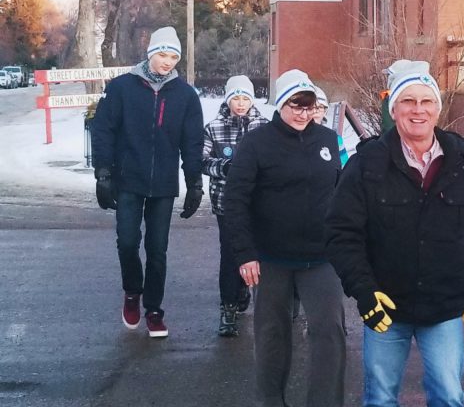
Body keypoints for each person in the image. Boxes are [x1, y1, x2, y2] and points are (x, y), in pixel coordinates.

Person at [326, 59, 464, 407]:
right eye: (408, 101)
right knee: (381, 397)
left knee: (448, 396)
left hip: (444, 307)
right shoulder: (366, 164)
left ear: (437, 108)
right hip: (386, 305)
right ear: (394, 108)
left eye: (426, 101)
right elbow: (343, 234)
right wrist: (364, 291)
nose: (418, 110)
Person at [224, 69, 346, 406]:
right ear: (281, 103)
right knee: (272, 335)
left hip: (321, 257)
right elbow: (235, 199)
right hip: (271, 257)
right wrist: (245, 252)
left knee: (329, 332)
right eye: (296, 105)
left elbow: (339, 192)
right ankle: (271, 400)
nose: (303, 114)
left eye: (309, 107)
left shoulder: (325, 140)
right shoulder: (257, 142)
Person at [91, 26, 204, 338]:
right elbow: (103, 130)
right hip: (129, 179)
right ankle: (132, 292)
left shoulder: (185, 95)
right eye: (162, 54)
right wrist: (103, 172)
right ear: (151, 53)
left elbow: (192, 141)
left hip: (164, 184)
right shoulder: (122, 88)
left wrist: (194, 181)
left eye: (173, 56)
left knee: (157, 249)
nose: (167, 62)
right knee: (127, 242)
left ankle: (154, 309)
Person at [202, 75, 268, 337]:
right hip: (225, 201)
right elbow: (202, 160)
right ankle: (228, 307)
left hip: (260, 201)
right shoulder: (214, 127)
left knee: (256, 251)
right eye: (236, 98)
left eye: (245, 98)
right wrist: (224, 166)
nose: (240, 104)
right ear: (228, 99)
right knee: (230, 253)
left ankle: (247, 290)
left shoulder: (264, 125)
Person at [312, 86, 349, 167]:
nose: (315, 111)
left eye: (319, 107)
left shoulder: (334, 138)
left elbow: (345, 167)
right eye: (311, 107)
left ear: (324, 111)